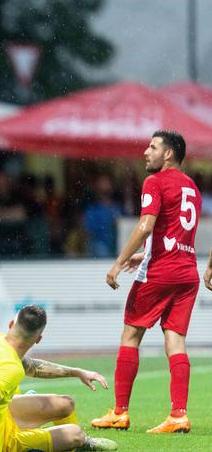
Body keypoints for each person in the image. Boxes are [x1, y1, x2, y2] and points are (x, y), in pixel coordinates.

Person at [92, 130, 200, 434]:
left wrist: (118, 261)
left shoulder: (154, 181)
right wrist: (146, 254)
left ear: (168, 154)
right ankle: (179, 414)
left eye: (152, 147)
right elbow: (176, 231)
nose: (145, 151)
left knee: (131, 335)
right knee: (175, 340)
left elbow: (145, 225)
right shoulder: (192, 186)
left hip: (161, 272)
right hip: (187, 272)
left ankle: (119, 412)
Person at [0, 305, 117, 452]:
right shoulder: (10, 368)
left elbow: (32, 367)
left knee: (66, 403)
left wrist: (77, 372)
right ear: (38, 339)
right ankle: (77, 445)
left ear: (11, 324)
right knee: (76, 435)